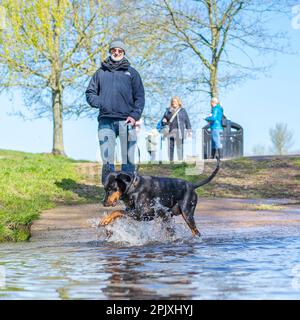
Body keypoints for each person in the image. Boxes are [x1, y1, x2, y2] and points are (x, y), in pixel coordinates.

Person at [85, 38, 145, 184]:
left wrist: (135, 116)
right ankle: (109, 190)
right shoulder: (100, 73)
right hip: (106, 121)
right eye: (114, 50)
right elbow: (90, 93)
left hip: (126, 121)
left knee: (128, 158)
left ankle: (128, 191)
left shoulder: (132, 73)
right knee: (107, 158)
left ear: (123, 52)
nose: (116, 52)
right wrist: (102, 103)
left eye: (119, 50)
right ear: (110, 51)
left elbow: (140, 96)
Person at [160, 96, 192, 162]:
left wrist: (189, 130)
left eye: (175, 101)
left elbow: (187, 121)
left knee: (180, 146)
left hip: (180, 131)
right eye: (173, 101)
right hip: (170, 131)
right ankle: (170, 161)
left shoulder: (182, 110)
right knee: (170, 147)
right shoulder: (168, 111)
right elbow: (163, 121)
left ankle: (180, 161)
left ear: (178, 102)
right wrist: (164, 121)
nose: (174, 102)